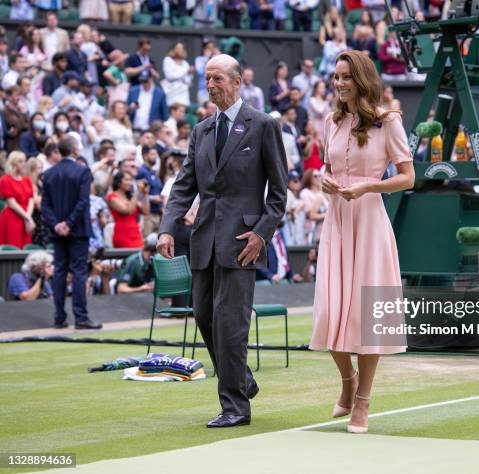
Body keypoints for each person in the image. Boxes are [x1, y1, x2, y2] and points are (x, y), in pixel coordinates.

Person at [157, 54, 288, 428]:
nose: (211, 85)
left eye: (217, 78)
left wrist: (262, 234)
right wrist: (167, 227)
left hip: (243, 242)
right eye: (206, 79)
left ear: (236, 82)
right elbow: (185, 185)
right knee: (204, 317)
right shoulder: (200, 131)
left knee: (231, 324)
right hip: (203, 241)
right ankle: (242, 379)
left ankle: (235, 407)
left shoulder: (263, 126)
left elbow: (279, 193)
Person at [308, 50, 415, 433]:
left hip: (370, 222)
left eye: (346, 77)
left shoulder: (389, 122)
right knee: (330, 312)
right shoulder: (330, 121)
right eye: (336, 77)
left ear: (362, 79)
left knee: (367, 318)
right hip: (336, 221)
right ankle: (347, 382)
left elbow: (407, 178)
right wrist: (324, 180)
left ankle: (363, 403)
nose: (339, 84)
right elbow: (327, 168)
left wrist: (371, 185)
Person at [41, 136, 102, 330]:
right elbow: (83, 201)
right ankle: (81, 318)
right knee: (78, 272)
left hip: (58, 231)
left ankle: (59, 318)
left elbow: (45, 206)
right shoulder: (83, 171)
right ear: (75, 149)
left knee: (59, 272)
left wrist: (57, 225)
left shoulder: (49, 173)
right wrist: (68, 223)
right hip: (78, 229)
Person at [0, 151, 35, 248]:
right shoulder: (5, 180)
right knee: (13, 246)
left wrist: (28, 218)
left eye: (25, 161)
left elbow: (31, 200)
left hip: (25, 216)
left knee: (26, 246)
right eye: (21, 162)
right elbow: (12, 203)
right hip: (12, 217)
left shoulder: (26, 180)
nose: (24, 164)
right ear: (13, 164)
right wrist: (28, 218)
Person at [107, 171, 150, 248]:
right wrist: (137, 192)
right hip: (122, 235)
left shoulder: (130, 198)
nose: (130, 183)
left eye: (131, 180)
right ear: (119, 182)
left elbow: (146, 211)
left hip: (136, 234)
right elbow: (128, 211)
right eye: (126, 180)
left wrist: (145, 194)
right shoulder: (112, 197)